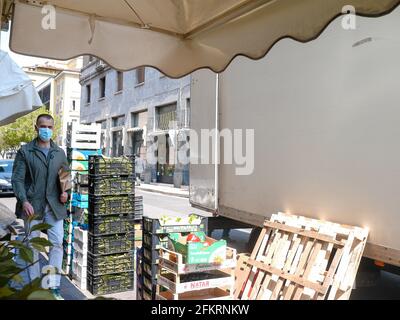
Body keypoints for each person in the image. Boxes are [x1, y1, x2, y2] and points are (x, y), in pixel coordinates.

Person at [11, 114, 70, 300]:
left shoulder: (59, 152)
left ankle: (53, 287)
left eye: (50, 127)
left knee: (57, 245)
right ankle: (36, 285)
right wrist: (24, 201)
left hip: (54, 207)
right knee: (32, 246)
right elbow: (17, 179)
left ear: (53, 129)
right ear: (36, 128)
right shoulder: (25, 152)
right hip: (32, 206)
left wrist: (65, 192)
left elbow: (65, 177)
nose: (46, 129)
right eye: (43, 126)